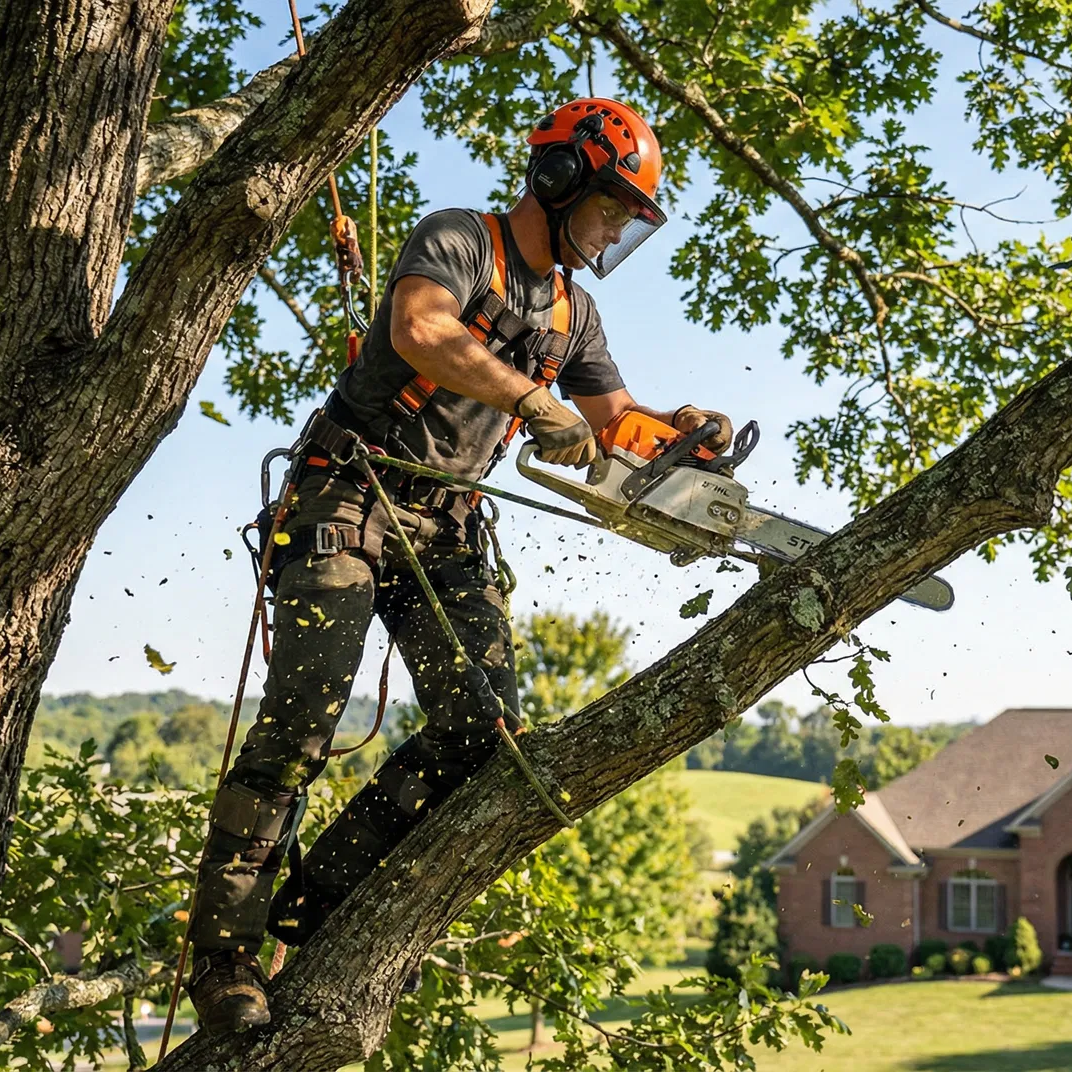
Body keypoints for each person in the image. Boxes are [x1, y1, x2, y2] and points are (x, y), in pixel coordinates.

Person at [185, 97, 735, 1034]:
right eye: (607, 208)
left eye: (623, 219)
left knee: (486, 732)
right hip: (349, 496)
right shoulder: (458, 241)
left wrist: (679, 435)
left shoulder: (575, 310)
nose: (609, 230)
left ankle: (311, 911)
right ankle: (226, 958)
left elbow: (614, 423)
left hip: (446, 527)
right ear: (560, 180)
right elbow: (421, 331)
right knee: (302, 723)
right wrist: (533, 398)